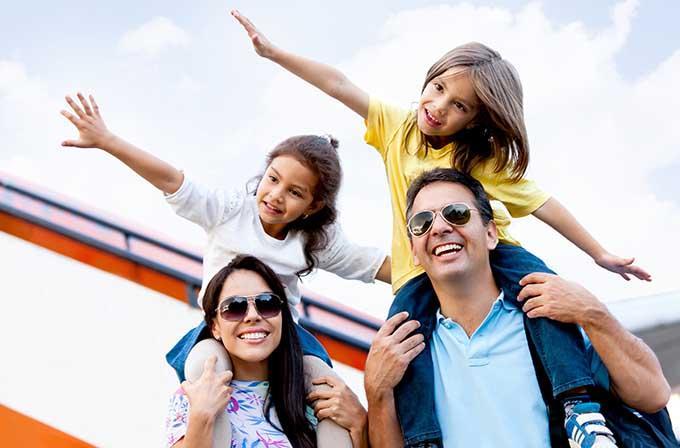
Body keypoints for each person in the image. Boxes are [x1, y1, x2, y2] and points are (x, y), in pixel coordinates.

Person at [231, 11, 651, 446]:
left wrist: (599, 253)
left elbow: (544, 205)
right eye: (438, 88)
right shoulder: (397, 128)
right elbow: (338, 84)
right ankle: (424, 439)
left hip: (495, 254)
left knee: (546, 298)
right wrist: (274, 53)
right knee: (403, 347)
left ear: (475, 120)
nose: (439, 107)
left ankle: (578, 407)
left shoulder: (479, 160)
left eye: (459, 106)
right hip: (418, 270)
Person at [60, 93, 385, 447]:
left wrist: (429, 253)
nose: (276, 195)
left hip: (285, 335)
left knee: (329, 388)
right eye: (272, 179)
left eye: (294, 192)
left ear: (313, 205)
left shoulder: (314, 241)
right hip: (221, 331)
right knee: (204, 368)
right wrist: (107, 140)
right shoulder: (231, 211)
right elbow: (173, 181)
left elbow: (372, 264)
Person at [363, 168, 673, 447]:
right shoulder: (406, 352)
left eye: (456, 213)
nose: (439, 228)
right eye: (422, 222)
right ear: (414, 251)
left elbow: (653, 394)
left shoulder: (549, 319)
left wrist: (593, 313)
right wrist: (376, 392)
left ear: (491, 233)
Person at [165, 254, 317, 447]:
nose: (253, 316)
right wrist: (201, 415)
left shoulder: (314, 397)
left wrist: (354, 421)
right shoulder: (193, 395)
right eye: (234, 307)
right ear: (215, 327)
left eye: (267, 303)